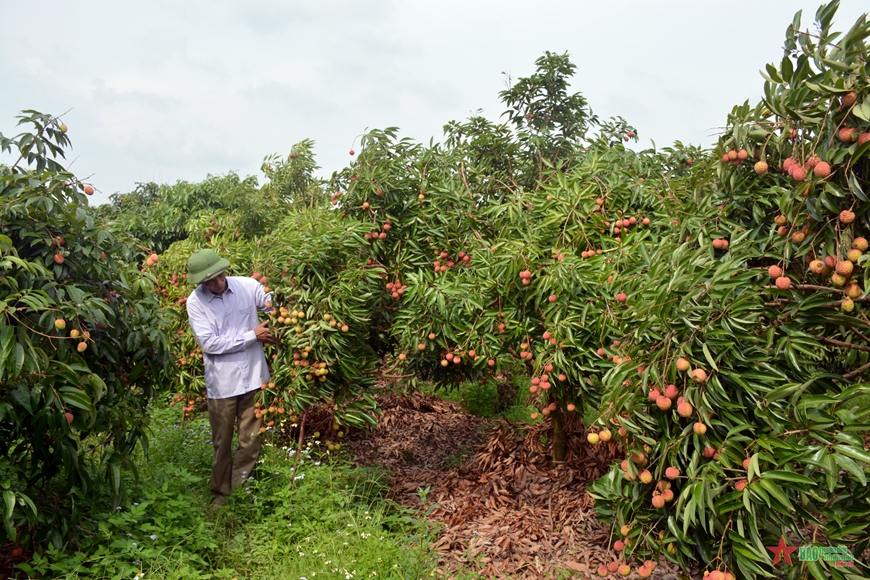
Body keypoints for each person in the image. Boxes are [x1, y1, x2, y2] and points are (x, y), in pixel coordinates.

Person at [185, 249, 279, 506]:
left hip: (254, 377)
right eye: (209, 281)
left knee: (251, 439)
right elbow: (210, 343)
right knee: (222, 442)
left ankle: (241, 490)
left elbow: (272, 304)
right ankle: (220, 494)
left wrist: (279, 303)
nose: (216, 283)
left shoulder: (247, 286)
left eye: (219, 276)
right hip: (223, 384)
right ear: (201, 282)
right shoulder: (195, 302)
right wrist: (253, 335)